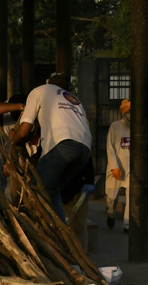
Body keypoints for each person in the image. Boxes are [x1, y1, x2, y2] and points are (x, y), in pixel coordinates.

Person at [10, 73, 93, 222]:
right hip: (84, 150)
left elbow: (23, 131)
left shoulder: (38, 91)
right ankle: (60, 236)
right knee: (52, 192)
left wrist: (12, 141)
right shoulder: (74, 100)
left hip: (63, 144)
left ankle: (49, 237)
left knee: (36, 191)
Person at [106, 100, 132, 232]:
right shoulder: (115, 126)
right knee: (111, 198)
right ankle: (111, 215)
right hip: (116, 167)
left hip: (131, 168)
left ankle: (127, 225)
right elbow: (110, 148)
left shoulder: (138, 128)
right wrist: (114, 166)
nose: (130, 114)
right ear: (123, 112)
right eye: (128, 112)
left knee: (131, 197)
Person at [61, 158, 96, 251]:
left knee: (78, 227)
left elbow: (87, 160)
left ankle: (80, 259)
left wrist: (89, 181)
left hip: (76, 190)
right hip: (53, 190)